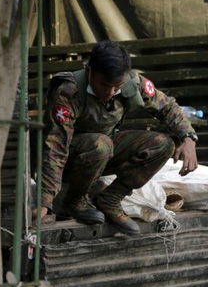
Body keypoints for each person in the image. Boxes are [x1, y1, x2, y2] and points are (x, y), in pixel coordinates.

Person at [37, 40, 199, 234]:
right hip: (72, 160)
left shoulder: (133, 83)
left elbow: (167, 106)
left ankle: (111, 198)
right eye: (105, 85)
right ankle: (75, 201)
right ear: (89, 71)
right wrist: (44, 201)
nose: (111, 92)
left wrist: (188, 138)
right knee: (101, 144)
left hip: (104, 153)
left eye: (117, 86)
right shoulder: (69, 91)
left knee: (163, 144)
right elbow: (55, 147)